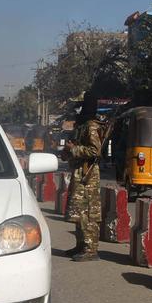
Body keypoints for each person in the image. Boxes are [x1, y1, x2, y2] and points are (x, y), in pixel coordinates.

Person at [63, 92, 102, 261]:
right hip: (78, 172)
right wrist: (67, 151)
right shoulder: (82, 125)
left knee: (87, 212)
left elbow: (95, 150)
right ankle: (80, 245)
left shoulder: (91, 126)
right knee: (78, 211)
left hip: (88, 174)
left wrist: (74, 150)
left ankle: (90, 249)